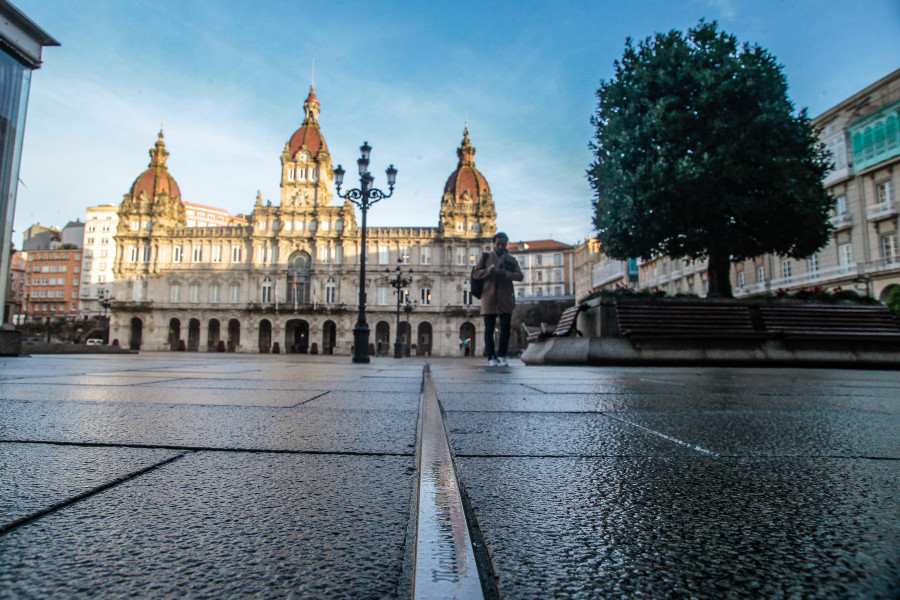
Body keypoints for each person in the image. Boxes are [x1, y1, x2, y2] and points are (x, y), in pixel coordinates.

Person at [472, 232, 524, 366]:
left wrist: (504, 273)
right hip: (488, 297)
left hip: (505, 297)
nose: (501, 246)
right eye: (498, 244)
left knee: (505, 328)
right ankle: (491, 357)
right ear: (494, 244)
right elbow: (476, 274)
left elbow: (519, 276)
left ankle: (502, 355)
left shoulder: (511, 260)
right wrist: (488, 270)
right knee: (489, 329)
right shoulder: (486, 257)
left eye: (503, 244)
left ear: (506, 244)